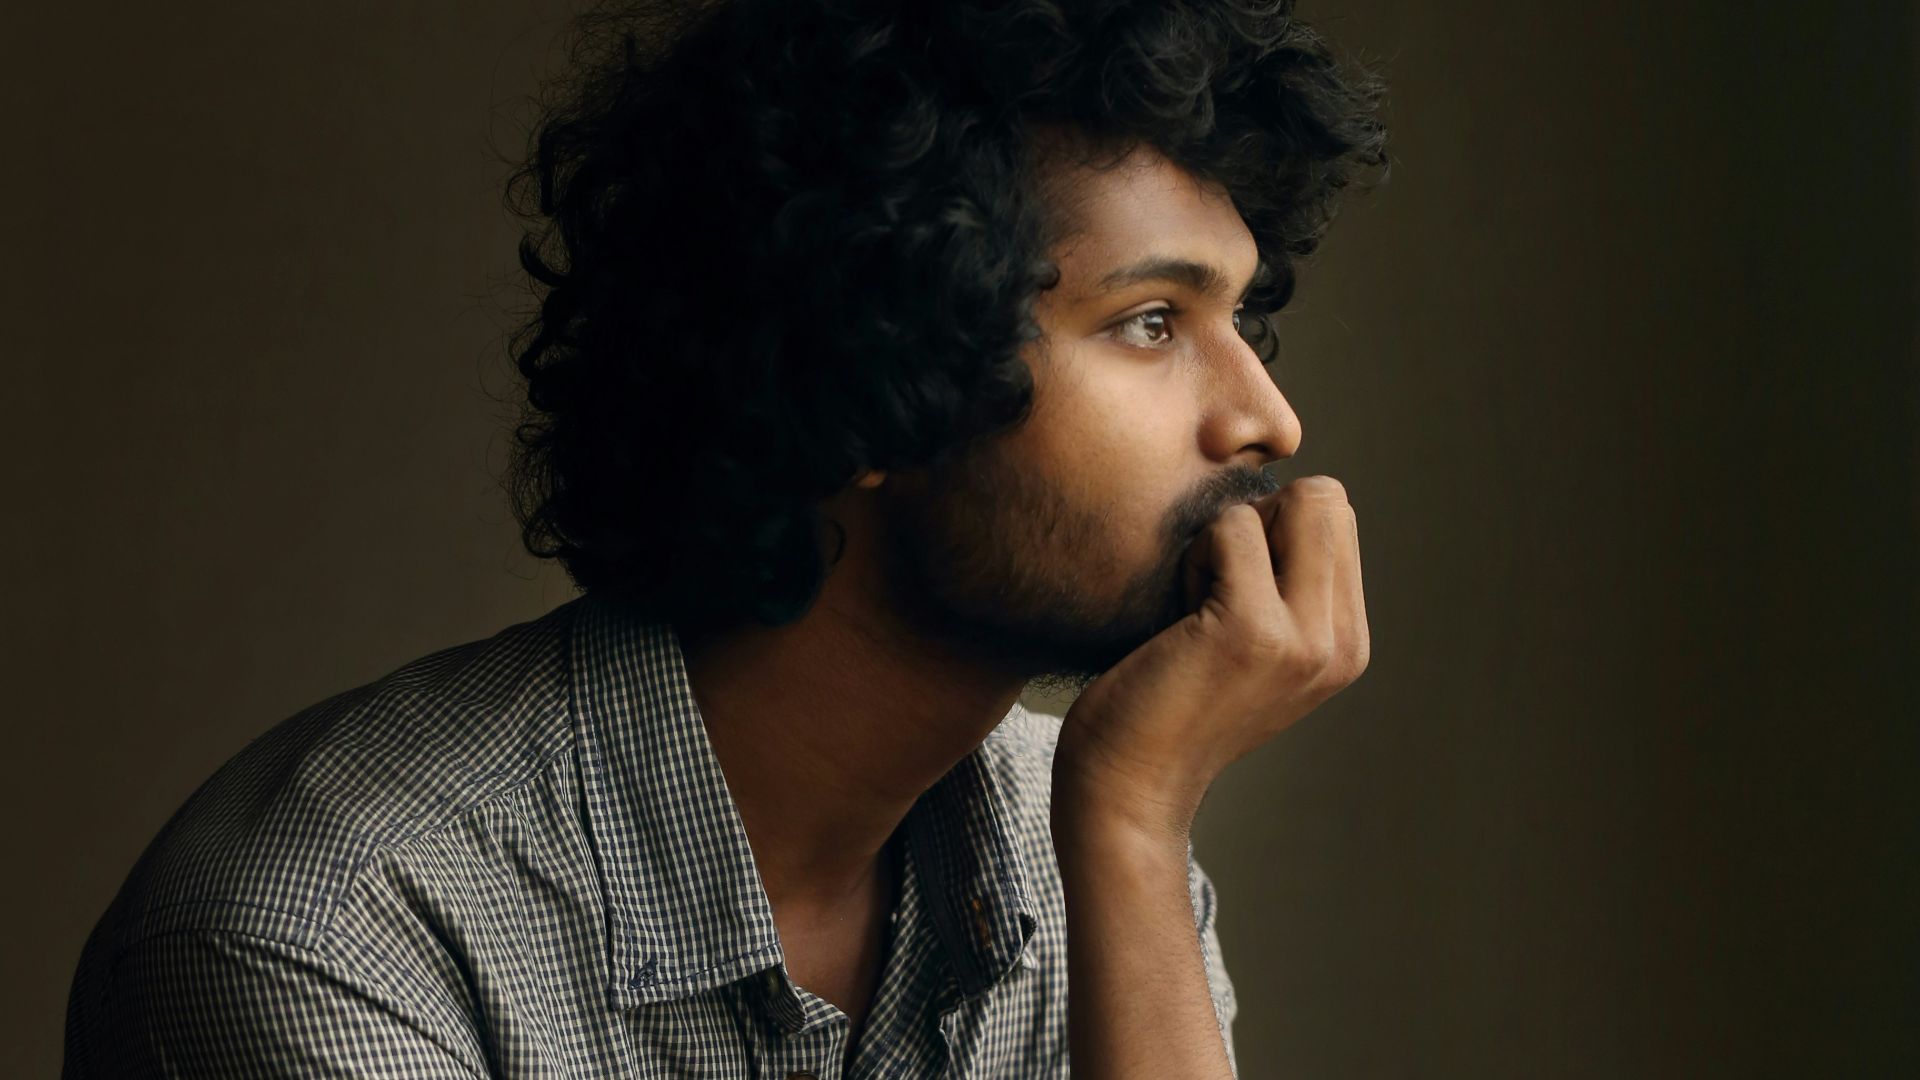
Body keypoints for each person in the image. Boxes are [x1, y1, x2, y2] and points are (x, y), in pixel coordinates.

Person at [62, 0, 1384, 1075]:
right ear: (863, 373)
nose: (1267, 419)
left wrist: (1135, 830)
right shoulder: (329, 933)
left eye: (1244, 323)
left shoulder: (1087, 833)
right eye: (1151, 323)